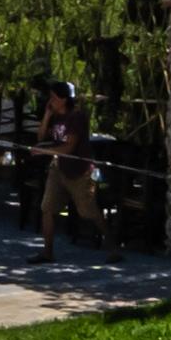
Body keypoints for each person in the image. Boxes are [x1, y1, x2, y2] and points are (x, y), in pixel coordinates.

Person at [32, 78, 100, 259]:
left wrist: (43, 151)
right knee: (47, 208)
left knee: (88, 211)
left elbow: (69, 148)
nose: (50, 100)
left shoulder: (76, 117)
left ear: (63, 99)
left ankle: (111, 245)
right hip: (59, 167)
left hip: (79, 169)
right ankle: (47, 252)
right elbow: (40, 137)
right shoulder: (56, 117)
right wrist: (46, 116)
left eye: (54, 97)